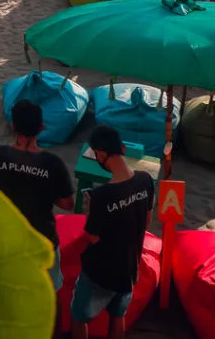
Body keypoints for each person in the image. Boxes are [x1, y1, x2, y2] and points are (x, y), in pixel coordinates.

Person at [0, 100, 74, 299]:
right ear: (41, 128)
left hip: (5, 240)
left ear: (13, 126)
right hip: (41, 240)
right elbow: (67, 204)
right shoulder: (52, 164)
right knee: (47, 296)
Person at [70, 125, 155, 339]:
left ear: (100, 154)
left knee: (79, 317)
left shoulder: (101, 197)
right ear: (123, 149)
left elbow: (92, 236)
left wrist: (90, 211)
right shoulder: (145, 181)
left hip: (100, 272)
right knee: (118, 316)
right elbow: (146, 223)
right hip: (129, 268)